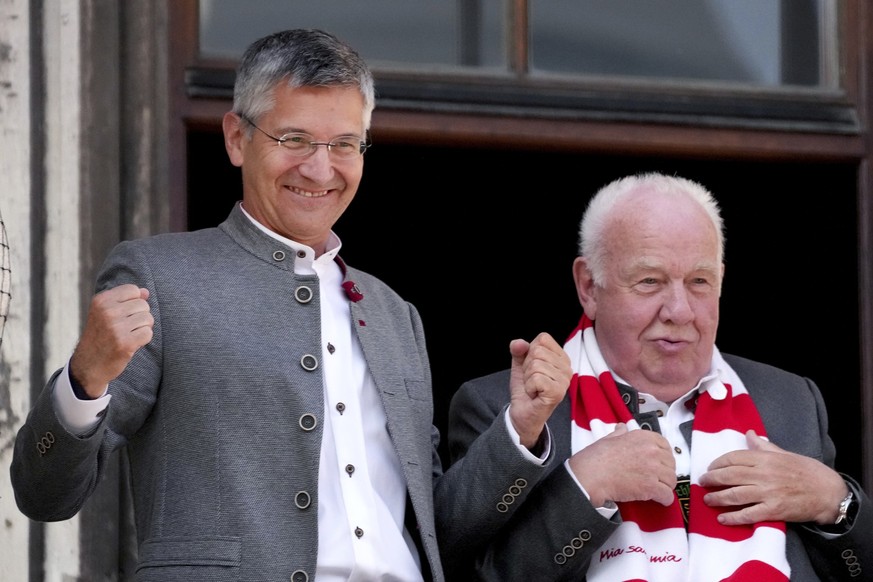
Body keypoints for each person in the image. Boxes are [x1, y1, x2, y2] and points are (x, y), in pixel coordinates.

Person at [9, 28, 573, 582]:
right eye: (294, 140)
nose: (320, 169)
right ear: (236, 138)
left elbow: (433, 530)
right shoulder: (162, 277)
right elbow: (45, 494)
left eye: (343, 144)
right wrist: (86, 377)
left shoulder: (394, 313)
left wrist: (518, 430)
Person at [446, 172, 872, 581]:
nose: (680, 311)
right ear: (589, 286)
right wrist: (583, 487)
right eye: (650, 281)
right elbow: (467, 572)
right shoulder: (506, 408)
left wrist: (834, 501)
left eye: (700, 281)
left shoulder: (789, 399)